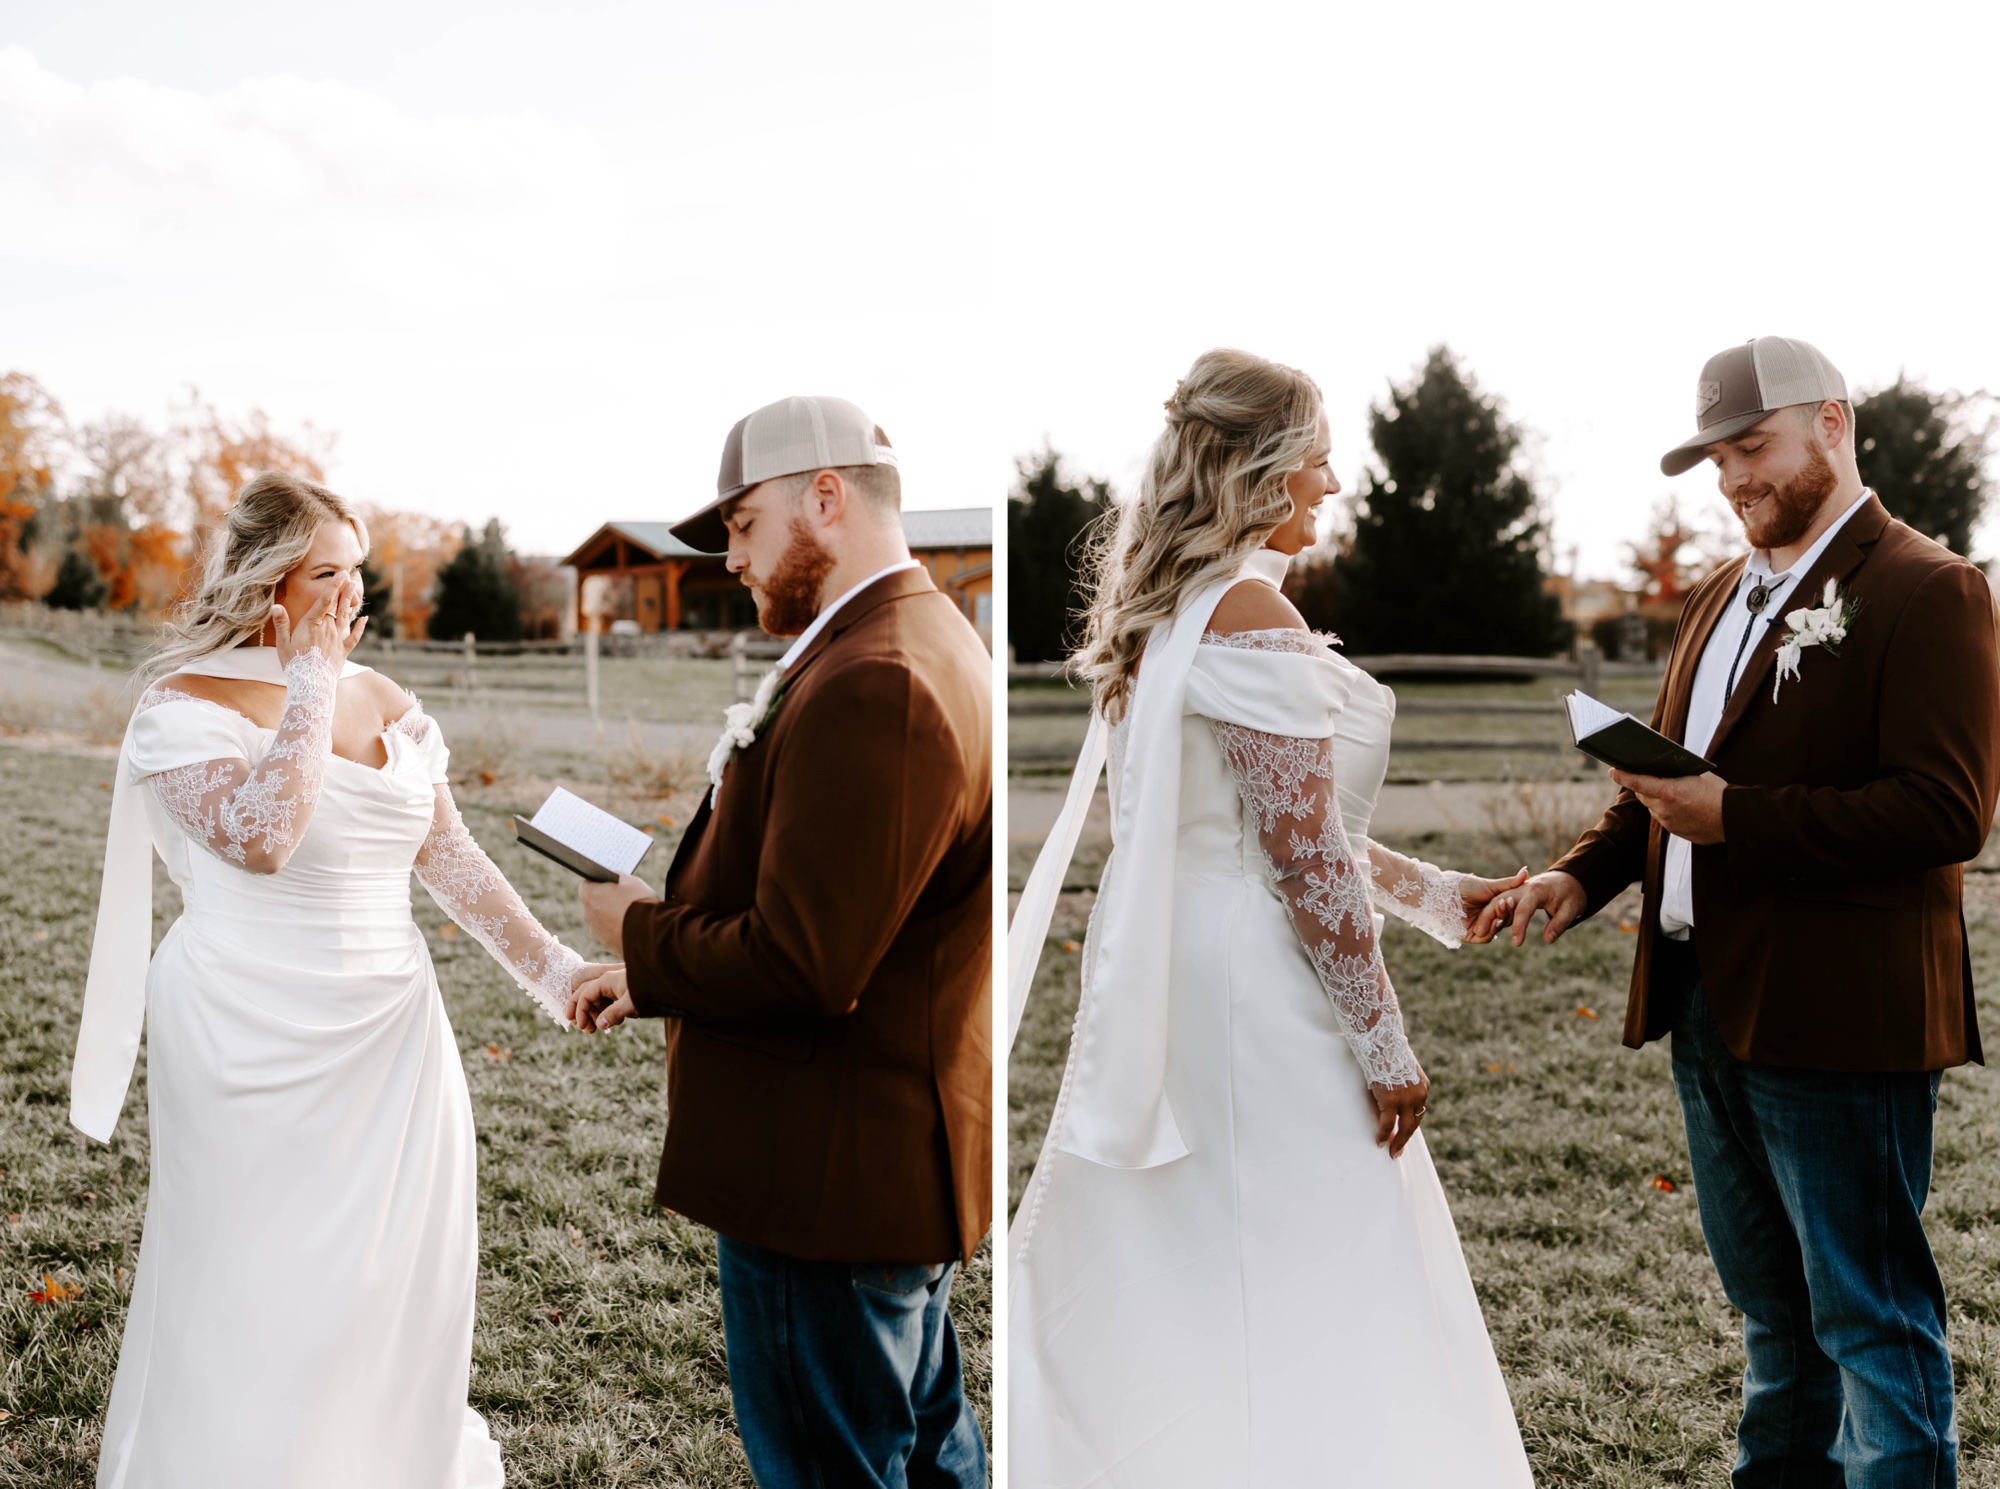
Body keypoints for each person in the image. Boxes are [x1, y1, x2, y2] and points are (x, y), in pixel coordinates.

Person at [1006, 348, 1535, 1485]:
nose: (1333, 487)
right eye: (1318, 464)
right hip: (1256, 981)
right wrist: (1382, 1042)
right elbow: (1298, 853)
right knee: (1310, 1232)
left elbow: (1273, 826)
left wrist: (1438, 896)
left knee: (1209, 1235)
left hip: (1191, 957)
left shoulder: (1180, 606)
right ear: (1259, 469)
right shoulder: (1244, 609)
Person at [1489, 336, 2000, 1486]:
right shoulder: (1720, 592)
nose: (1731, 481)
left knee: (1868, 1325)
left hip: (1841, 1014)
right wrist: (1581, 872)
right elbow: (1674, 785)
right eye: (1716, 460)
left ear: (1830, 422)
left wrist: (1739, 818)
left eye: (1751, 448)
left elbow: (1944, 811)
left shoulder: (1930, 588)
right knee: (1771, 1321)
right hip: (1706, 1005)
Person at [73, 472, 606, 1489]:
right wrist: (310, 683)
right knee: (258, 1280)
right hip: (247, 1031)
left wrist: (557, 971)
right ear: (266, 579)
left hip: (394, 1032)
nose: (350, 596)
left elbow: (451, 862)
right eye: (327, 572)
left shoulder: (389, 700)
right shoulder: (178, 707)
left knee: (390, 1285)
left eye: (358, 570)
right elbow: (265, 837)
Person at [568, 396, 992, 1488]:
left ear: (825, 496)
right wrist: (648, 969)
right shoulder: (902, 637)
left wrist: (643, 931)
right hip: (871, 1163)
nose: (733, 558)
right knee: (927, 1459)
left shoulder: (878, 677)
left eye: (743, 525)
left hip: (827, 1184)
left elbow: (808, 964)